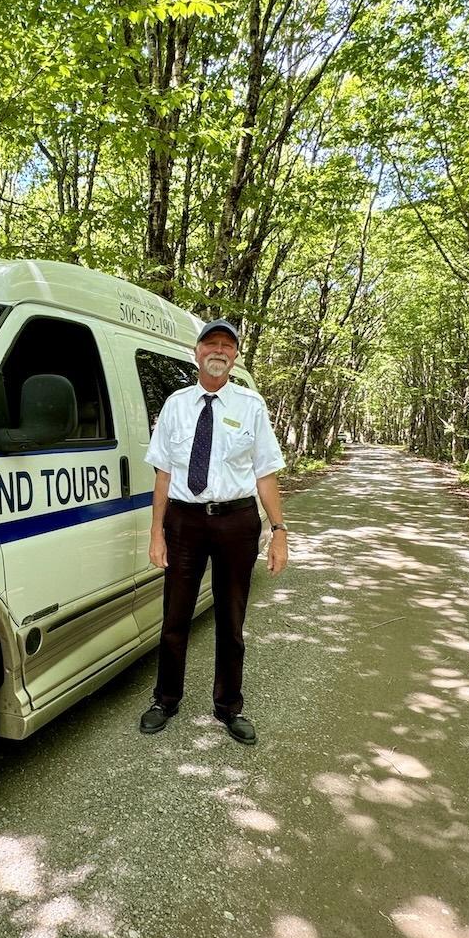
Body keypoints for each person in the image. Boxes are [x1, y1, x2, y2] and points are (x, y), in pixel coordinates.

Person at [140, 319, 288, 745]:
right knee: (175, 617)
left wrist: (278, 531)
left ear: (236, 356)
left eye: (227, 345)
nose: (219, 350)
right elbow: (163, 474)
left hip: (237, 522)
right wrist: (157, 533)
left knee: (231, 618)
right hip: (184, 521)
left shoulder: (251, 406)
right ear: (197, 352)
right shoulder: (176, 405)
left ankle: (228, 707)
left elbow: (265, 473)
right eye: (211, 344)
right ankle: (165, 700)